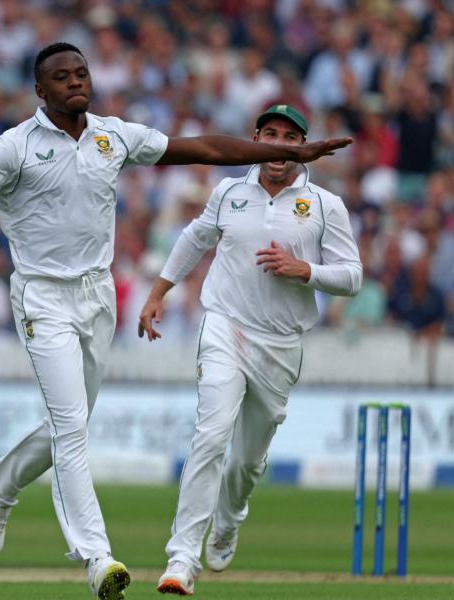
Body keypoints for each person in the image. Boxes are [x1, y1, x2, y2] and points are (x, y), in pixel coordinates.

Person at [0, 44, 351, 600]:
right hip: (42, 298)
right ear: (41, 91)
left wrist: (289, 153)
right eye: (62, 77)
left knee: (72, 419)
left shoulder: (114, 135)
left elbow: (200, 147)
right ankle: (96, 558)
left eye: (81, 73)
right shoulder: (14, 148)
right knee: (72, 427)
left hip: (97, 295)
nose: (76, 82)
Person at [137, 105, 362, 595]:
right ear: (256, 138)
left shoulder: (325, 205)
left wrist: (307, 271)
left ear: (303, 146)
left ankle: (230, 517)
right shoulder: (229, 191)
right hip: (225, 326)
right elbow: (196, 238)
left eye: (290, 137)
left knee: (246, 462)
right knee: (210, 435)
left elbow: (353, 276)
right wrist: (158, 292)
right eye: (271, 134)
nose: (279, 145)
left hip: (280, 343)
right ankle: (180, 559)